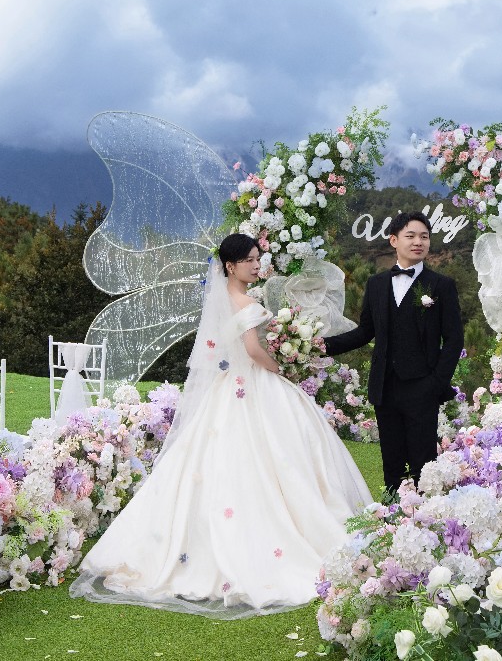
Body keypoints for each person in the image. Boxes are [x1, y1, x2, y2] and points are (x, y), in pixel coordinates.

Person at [70, 233, 372, 618]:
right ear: (230, 266)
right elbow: (252, 350)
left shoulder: (223, 301)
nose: (256, 265)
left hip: (230, 387)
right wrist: (282, 369)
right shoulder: (248, 303)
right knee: (274, 458)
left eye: (257, 258)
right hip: (255, 385)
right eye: (249, 260)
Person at [324, 212, 463, 496]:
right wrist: (322, 346)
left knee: (424, 464)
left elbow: (454, 339)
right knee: (392, 462)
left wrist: (436, 383)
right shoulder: (376, 284)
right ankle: (392, 515)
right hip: (384, 387)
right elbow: (365, 332)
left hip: (422, 386)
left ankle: (427, 516)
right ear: (394, 240)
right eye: (411, 236)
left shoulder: (441, 285)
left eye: (424, 237)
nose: (418, 242)